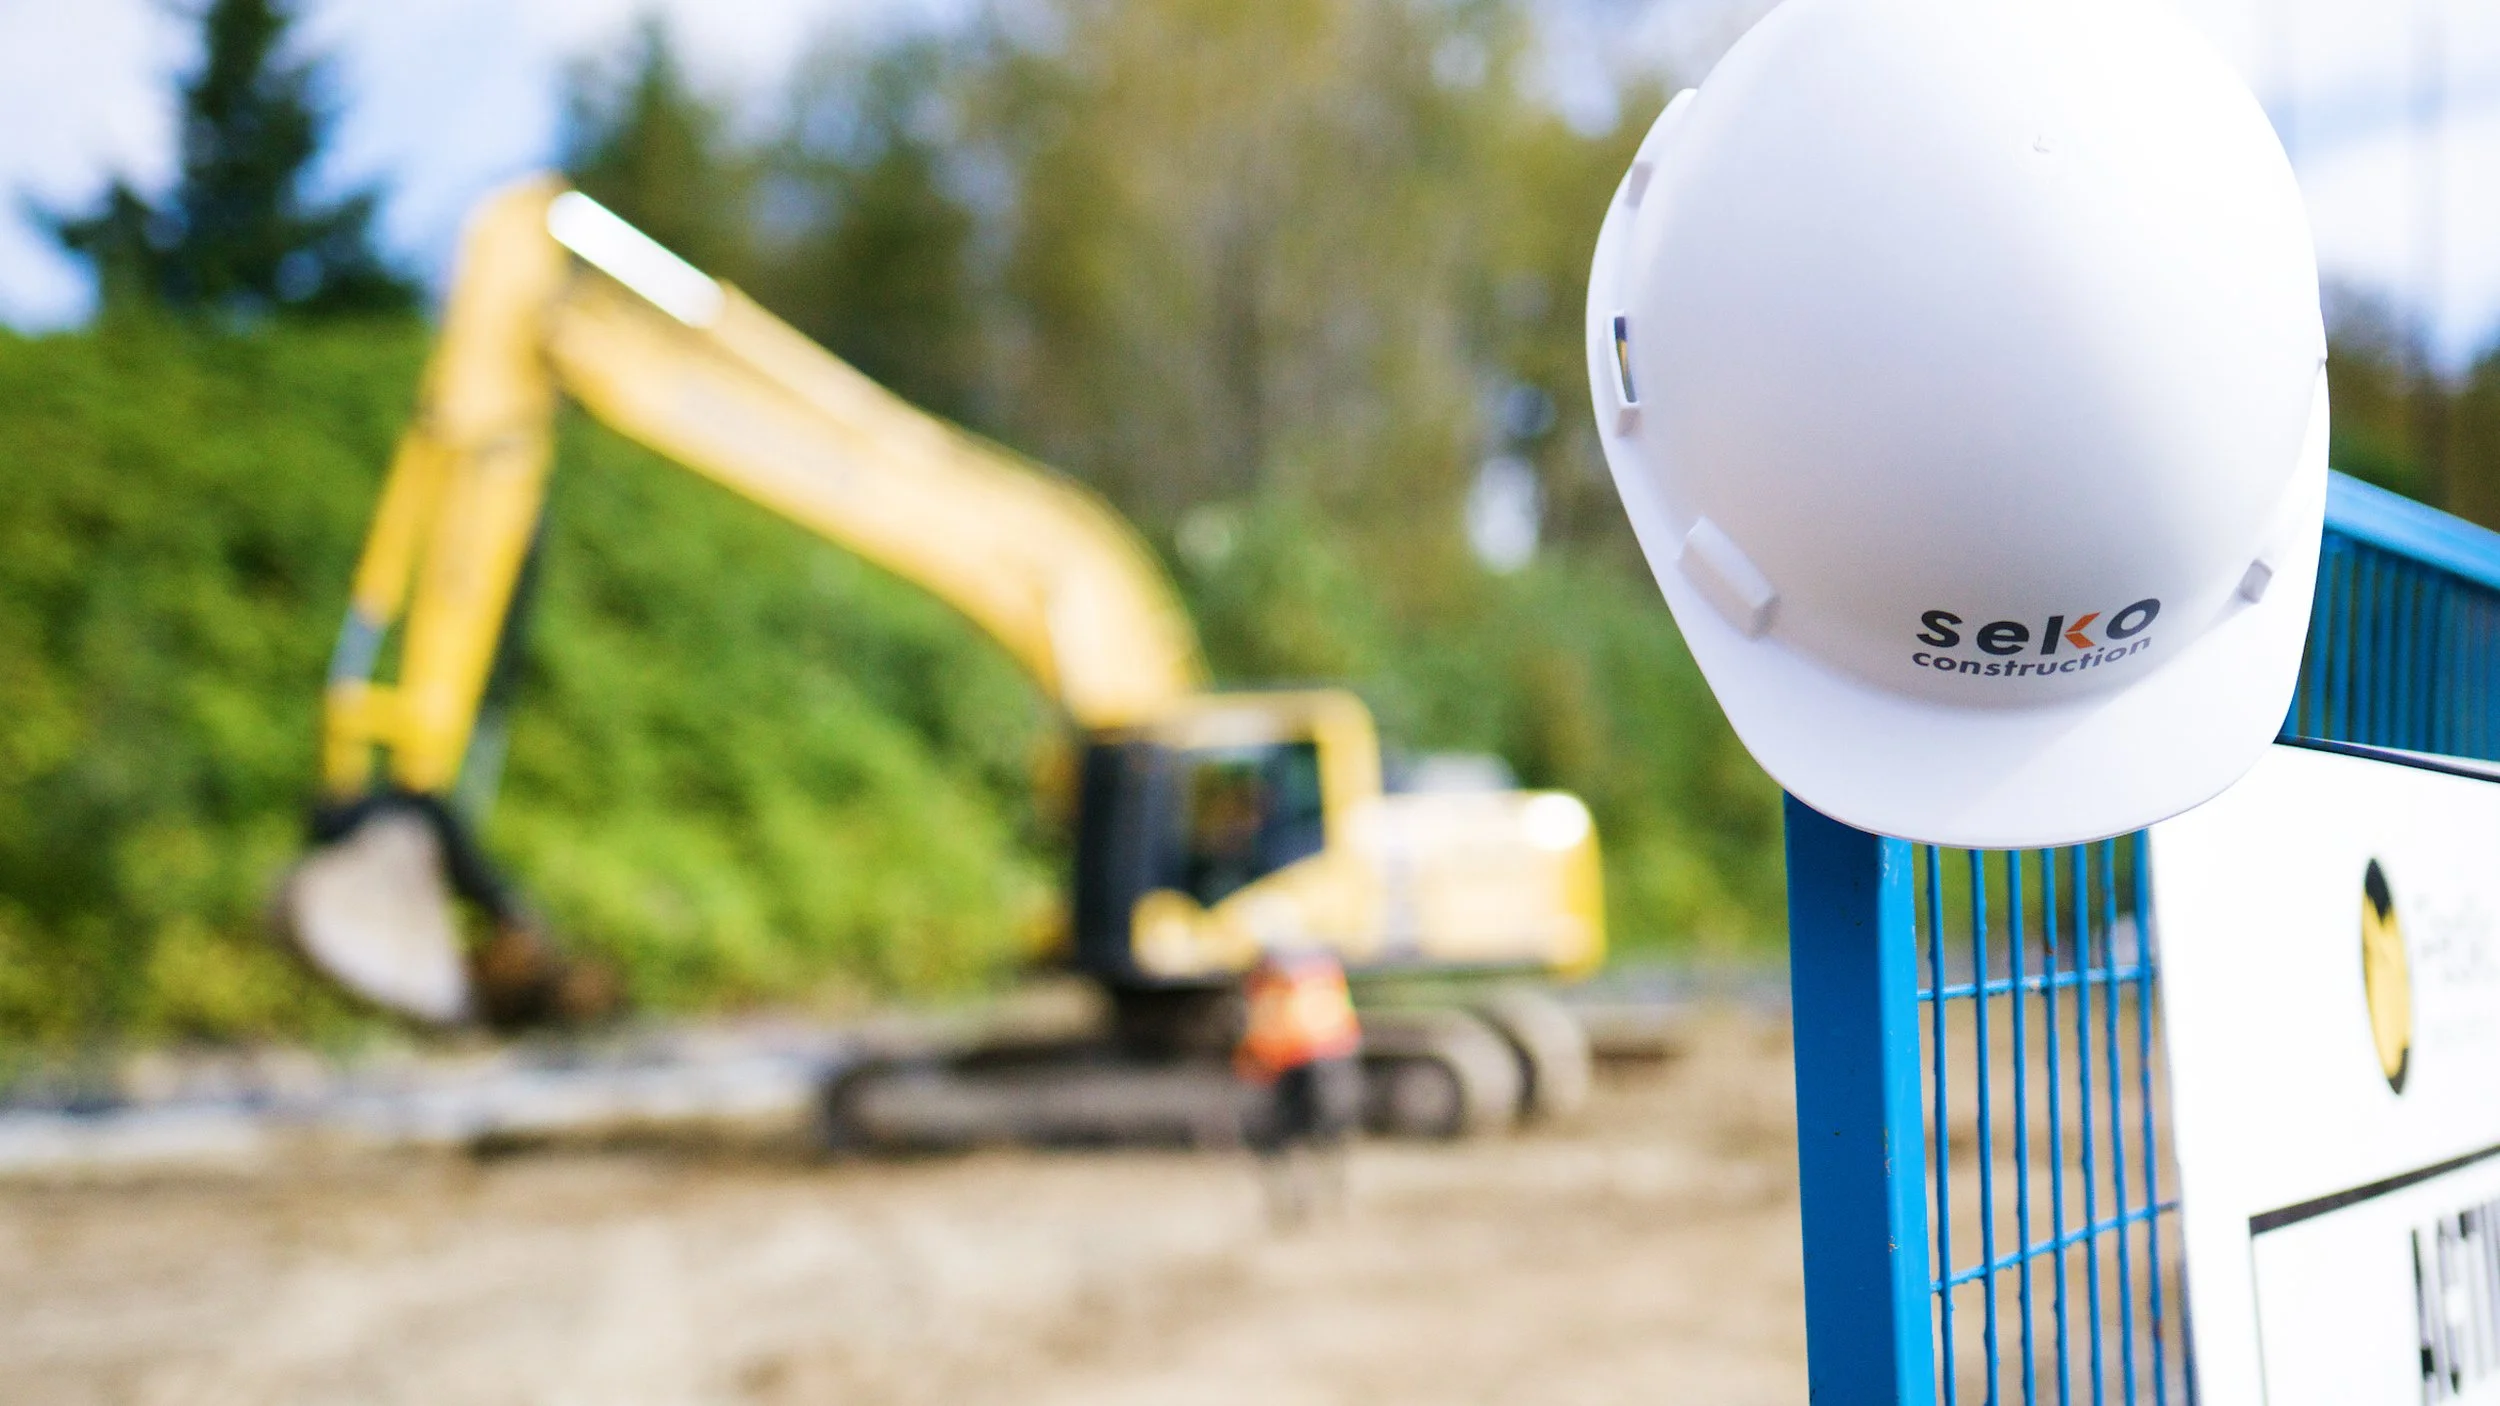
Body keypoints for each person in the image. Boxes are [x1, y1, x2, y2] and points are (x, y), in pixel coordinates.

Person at [1235, 946, 1363, 1227]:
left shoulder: (1274, 982)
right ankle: (1318, 1204)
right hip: (1316, 1063)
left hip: (1295, 1066)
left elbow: (1266, 1033)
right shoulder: (1321, 975)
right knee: (1320, 1141)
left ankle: (1303, 1205)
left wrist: (1253, 1063)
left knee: (1292, 1142)